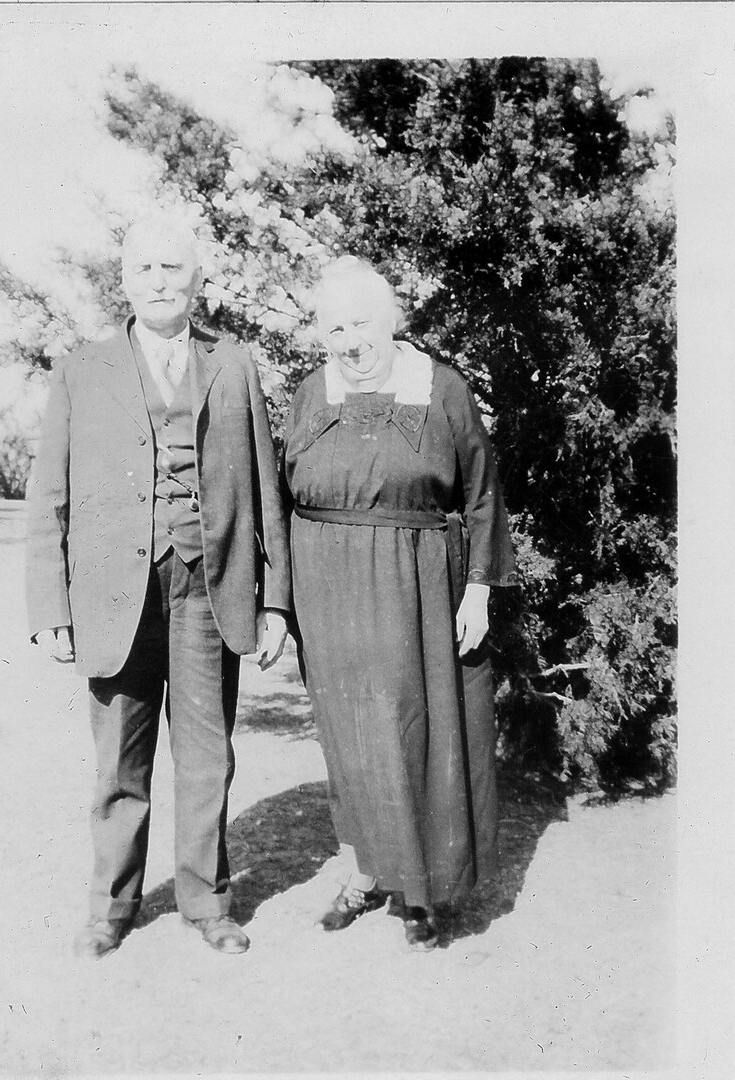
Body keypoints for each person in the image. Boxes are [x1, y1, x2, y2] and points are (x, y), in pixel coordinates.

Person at [25, 213, 291, 959]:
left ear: (197, 281)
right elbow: (51, 492)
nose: (160, 281)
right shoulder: (84, 368)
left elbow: (265, 484)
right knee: (119, 762)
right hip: (115, 596)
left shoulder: (233, 363)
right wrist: (51, 607)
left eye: (174, 269)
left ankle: (208, 903)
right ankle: (111, 907)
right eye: (145, 269)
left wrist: (275, 599)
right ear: (125, 281)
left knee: (209, 756)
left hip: (211, 587)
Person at [282, 256, 517, 950]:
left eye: (362, 323)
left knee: (413, 731)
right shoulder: (308, 393)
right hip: (326, 593)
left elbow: (480, 493)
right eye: (334, 328)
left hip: (416, 587)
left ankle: (420, 890)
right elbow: (281, 490)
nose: (349, 340)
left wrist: (478, 587)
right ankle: (365, 873)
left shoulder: (441, 388)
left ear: (392, 320)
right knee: (349, 738)